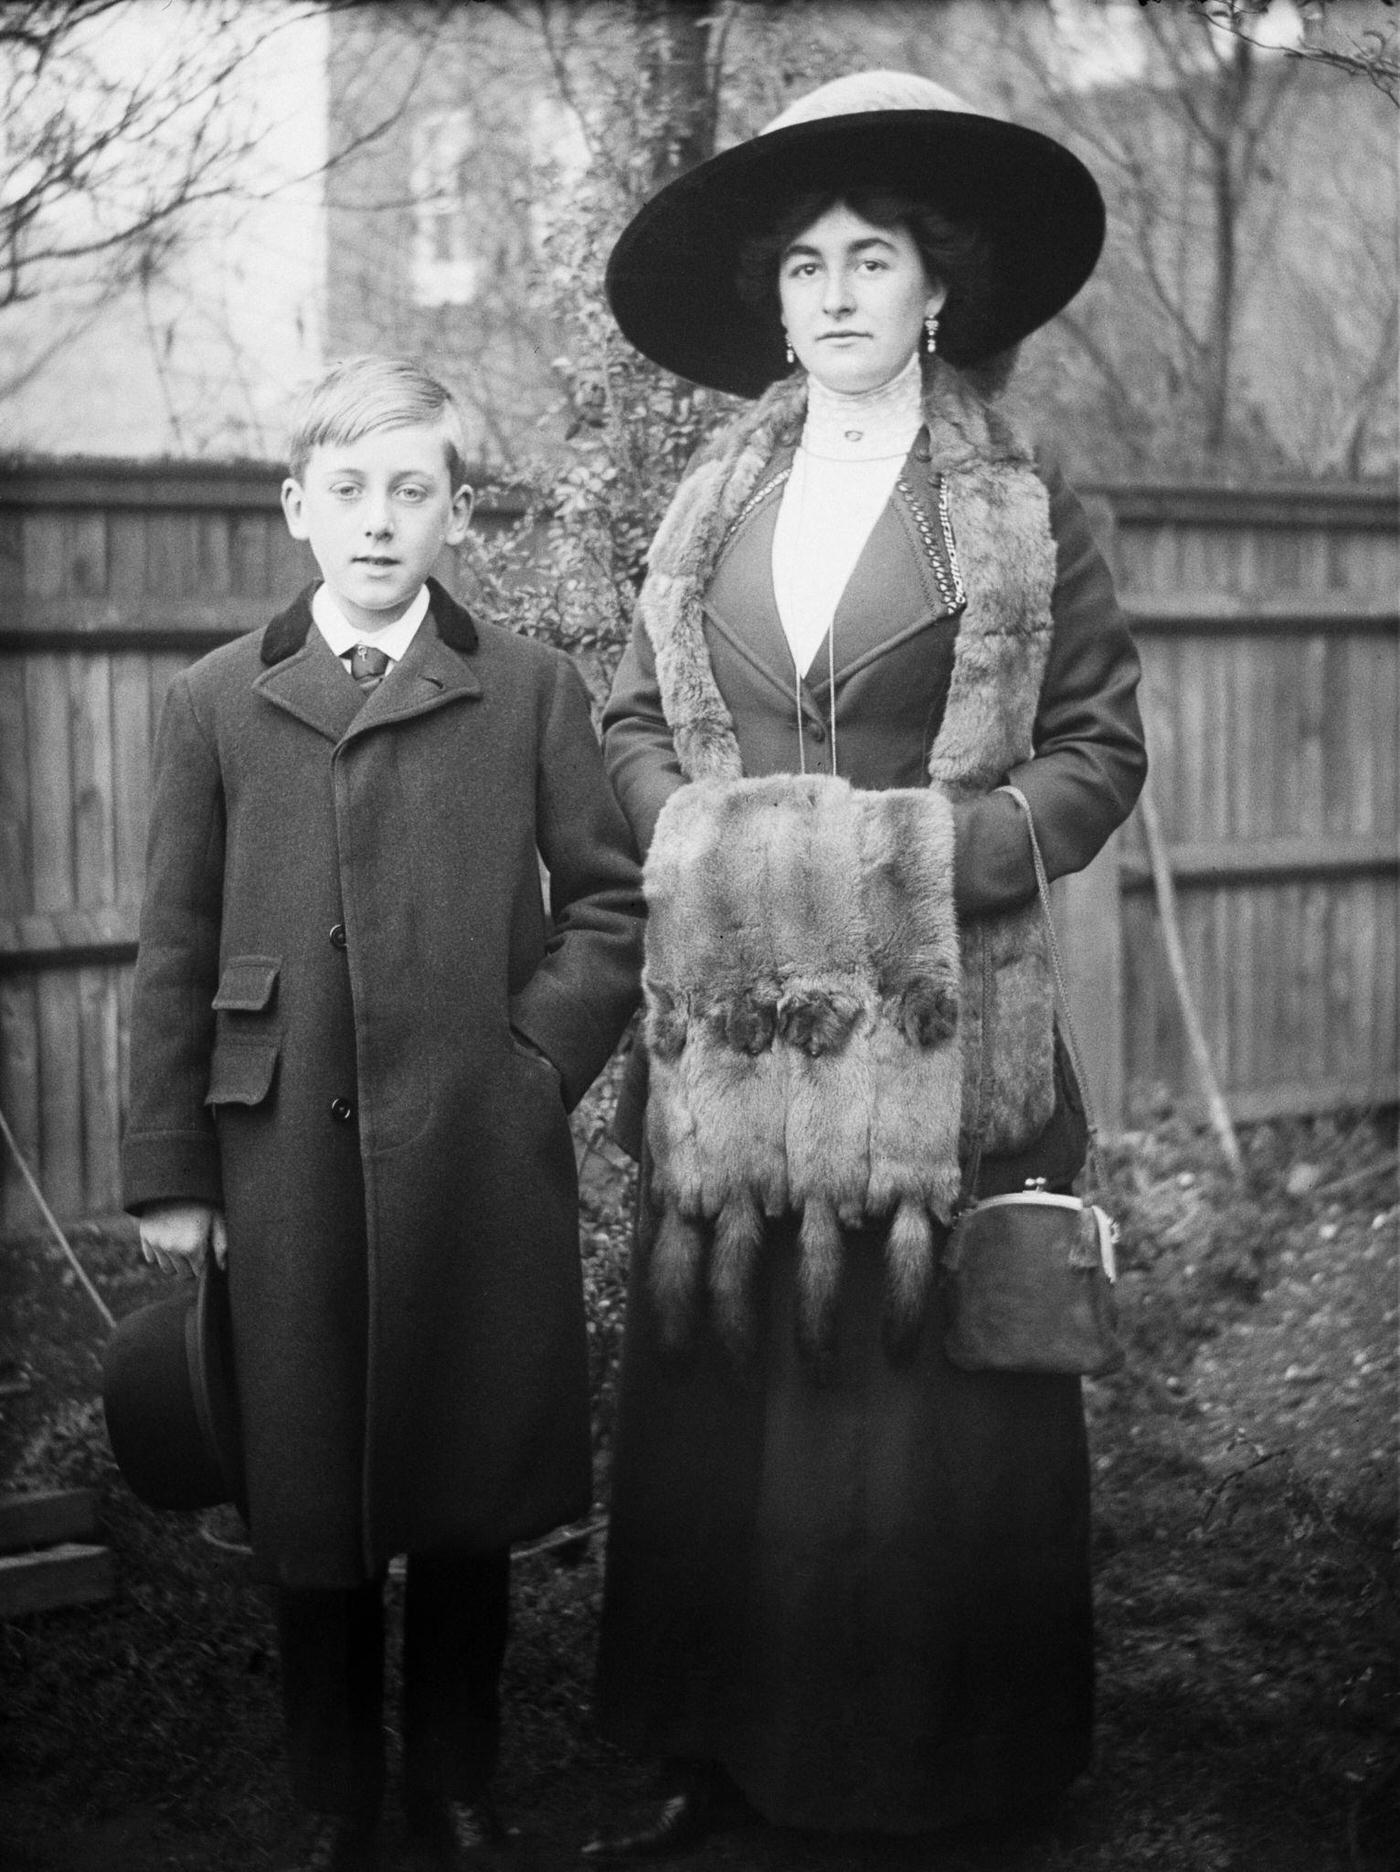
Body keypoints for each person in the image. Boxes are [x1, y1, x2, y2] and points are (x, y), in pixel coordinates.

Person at [583, 71, 1148, 1859]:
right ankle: (724, 1747)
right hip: (740, 1033)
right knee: (738, 1378)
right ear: (775, 297)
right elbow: (626, 719)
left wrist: (945, 856)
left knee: (921, 1408)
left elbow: (1096, 751)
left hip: (941, 1022)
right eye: (808, 264)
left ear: (939, 288)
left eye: (874, 258)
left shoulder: (1028, 500)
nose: (836, 293)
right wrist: (699, 834)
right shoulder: (702, 508)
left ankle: (936, 1770)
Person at [121, 355, 644, 1872]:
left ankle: (457, 1784)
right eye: (346, 490)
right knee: (310, 1492)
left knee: (464, 1480)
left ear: (456, 512)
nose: (377, 520)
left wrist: (534, 1060)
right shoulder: (216, 701)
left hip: (475, 1151)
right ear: (297, 509)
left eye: (412, 489)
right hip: (279, 1150)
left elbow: (610, 910)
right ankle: (336, 1800)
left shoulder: (532, 688)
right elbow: (173, 945)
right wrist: (172, 1167)